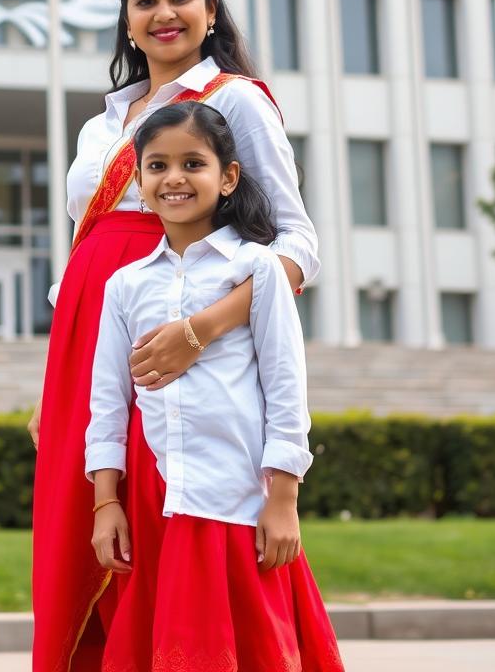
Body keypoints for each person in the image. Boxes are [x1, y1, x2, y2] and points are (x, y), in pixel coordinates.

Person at [31, 0, 320, 672]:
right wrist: (51, 376)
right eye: (146, 0)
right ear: (127, 20)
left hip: (181, 340)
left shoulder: (233, 101)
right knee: (88, 535)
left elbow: (299, 245)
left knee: (174, 522)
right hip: (93, 342)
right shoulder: (105, 124)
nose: (164, 13)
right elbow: (82, 247)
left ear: (209, 9)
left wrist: (201, 331)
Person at [86, 101, 343, 671]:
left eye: (192, 163)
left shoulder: (258, 270)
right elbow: (108, 400)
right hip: (156, 500)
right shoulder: (124, 285)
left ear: (227, 176)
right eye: (157, 166)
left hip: (237, 496)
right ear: (138, 179)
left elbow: (285, 388)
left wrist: (283, 499)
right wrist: (108, 503)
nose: (174, 178)